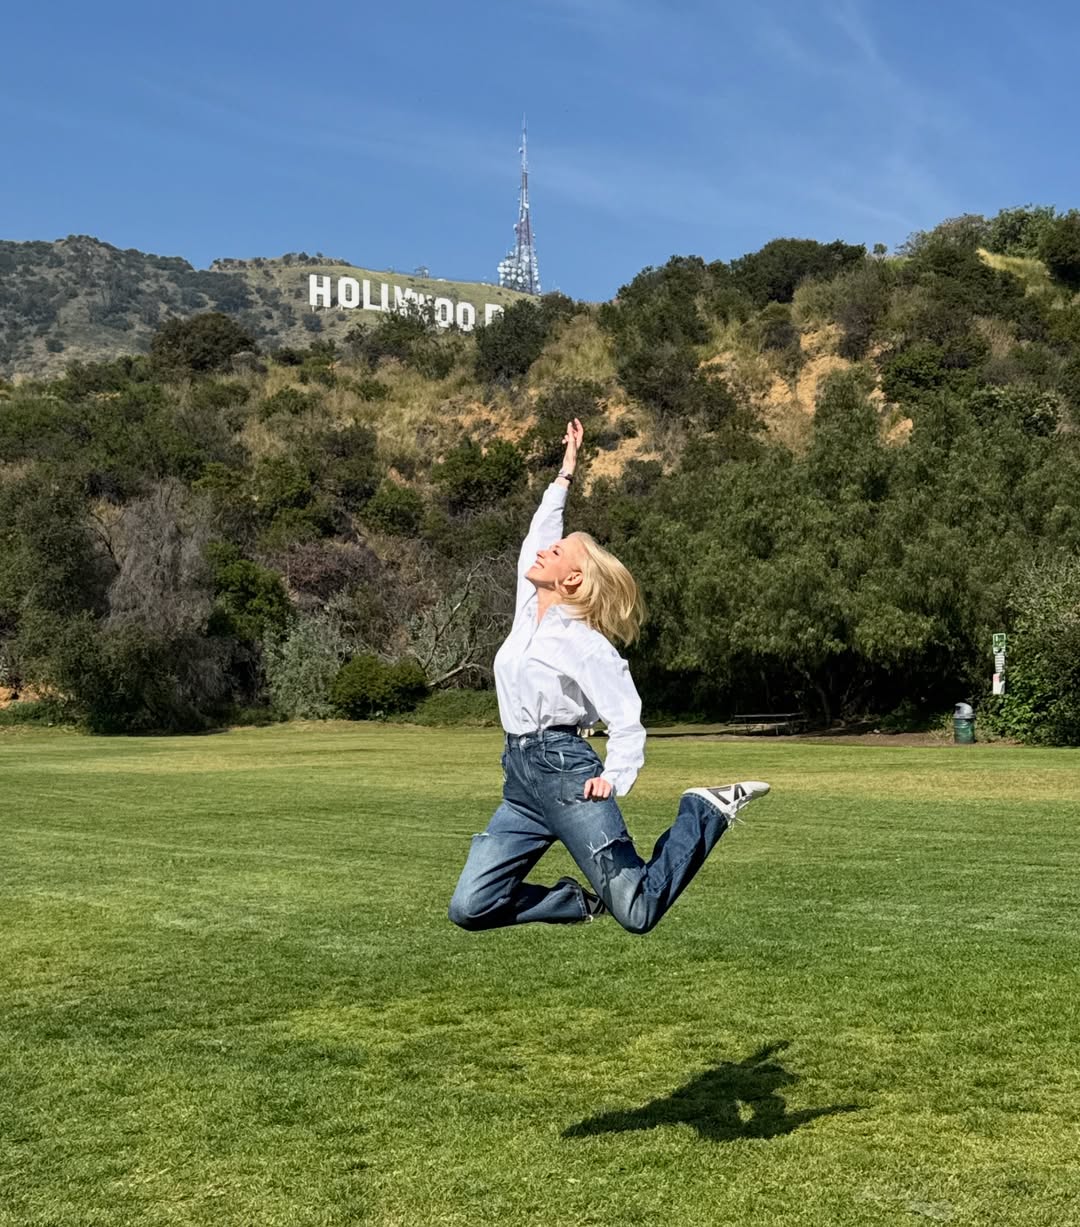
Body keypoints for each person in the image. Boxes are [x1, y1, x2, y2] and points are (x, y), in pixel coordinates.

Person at [447, 419, 770, 936]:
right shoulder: (527, 611)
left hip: (570, 777)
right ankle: (574, 902)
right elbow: (539, 531)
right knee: (470, 906)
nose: (544, 552)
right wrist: (566, 472)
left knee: (637, 912)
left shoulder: (585, 644)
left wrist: (613, 777)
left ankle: (705, 810)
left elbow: (626, 719)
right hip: (521, 781)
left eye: (558, 553)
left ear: (572, 578)